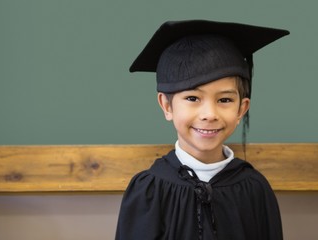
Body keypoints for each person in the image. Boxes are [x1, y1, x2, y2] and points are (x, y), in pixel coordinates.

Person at [115, 19, 289, 240]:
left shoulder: (255, 189)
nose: (209, 114)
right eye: (192, 98)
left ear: (241, 109)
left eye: (224, 99)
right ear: (167, 106)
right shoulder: (148, 191)